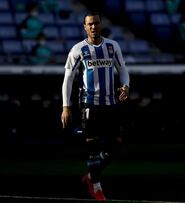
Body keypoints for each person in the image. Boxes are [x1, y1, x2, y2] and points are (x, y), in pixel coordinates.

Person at [61, 11, 130, 201]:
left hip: (111, 103)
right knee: (92, 146)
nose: (93, 27)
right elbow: (68, 79)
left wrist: (126, 86)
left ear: (100, 24)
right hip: (89, 104)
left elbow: (123, 70)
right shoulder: (78, 50)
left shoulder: (112, 46)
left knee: (117, 144)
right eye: (89, 24)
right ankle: (97, 188)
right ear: (84, 27)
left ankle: (90, 177)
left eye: (96, 23)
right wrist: (66, 106)